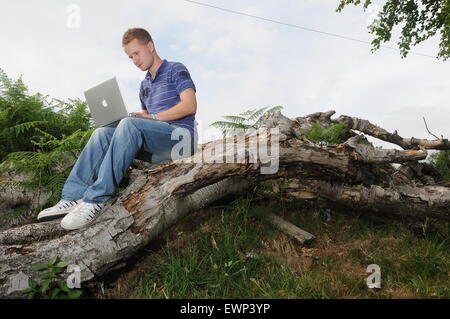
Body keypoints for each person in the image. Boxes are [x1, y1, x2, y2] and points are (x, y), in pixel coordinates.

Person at [37, 27, 198, 230]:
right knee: (102, 133)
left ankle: (96, 200)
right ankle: (72, 197)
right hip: (160, 149)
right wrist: (139, 120)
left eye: (136, 53)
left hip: (182, 140)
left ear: (150, 46)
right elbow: (146, 125)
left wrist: (152, 117)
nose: (135, 60)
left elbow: (189, 105)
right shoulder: (144, 86)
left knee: (129, 124)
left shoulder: (176, 69)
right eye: (130, 57)